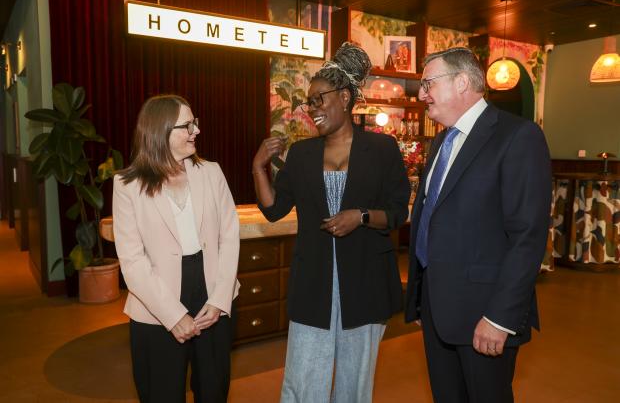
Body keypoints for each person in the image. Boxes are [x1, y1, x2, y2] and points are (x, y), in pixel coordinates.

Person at [253, 42, 410, 403]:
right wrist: (257, 166)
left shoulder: (382, 150)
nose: (312, 109)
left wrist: (362, 216)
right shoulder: (302, 154)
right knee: (304, 376)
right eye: (309, 102)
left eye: (318, 99)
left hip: (366, 283)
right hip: (315, 283)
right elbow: (274, 209)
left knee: (355, 384)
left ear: (344, 97)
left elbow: (399, 212)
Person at [404, 47, 552, 403]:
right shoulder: (440, 140)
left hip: (484, 314)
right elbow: (433, 220)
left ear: (462, 82)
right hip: (439, 309)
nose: (422, 94)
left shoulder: (518, 137)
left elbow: (528, 237)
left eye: (428, 84)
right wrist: (423, 301)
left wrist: (500, 318)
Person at [113, 94, 240, 403]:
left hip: (211, 293)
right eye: (187, 125)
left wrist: (220, 300)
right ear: (160, 131)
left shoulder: (211, 172)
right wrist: (172, 315)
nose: (196, 130)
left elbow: (229, 235)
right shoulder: (126, 185)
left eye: (194, 123)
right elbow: (132, 261)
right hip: (156, 303)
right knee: (162, 392)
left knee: (213, 390)